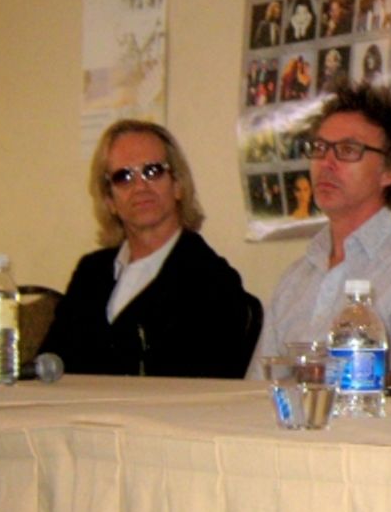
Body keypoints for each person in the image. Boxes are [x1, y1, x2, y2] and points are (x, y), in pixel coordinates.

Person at [249, 82, 391, 378]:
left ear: (390, 171)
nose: (326, 163)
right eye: (319, 148)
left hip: (372, 423)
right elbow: (258, 389)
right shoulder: (295, 278)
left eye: (348, 150)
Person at [42, 120, 257, 377]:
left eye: (153, 171)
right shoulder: (91, 272)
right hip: (73, 415)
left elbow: (197, 386)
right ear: (109, 199)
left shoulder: (212, 281)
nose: (140, 187)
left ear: (178, 185)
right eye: (124, 177)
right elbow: (50, 365)